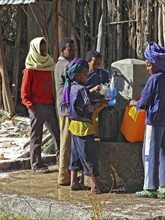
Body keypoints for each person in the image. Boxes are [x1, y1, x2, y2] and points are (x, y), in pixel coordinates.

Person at [129, 42, 165, 198]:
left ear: (156, 64)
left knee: (149, 153)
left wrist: (134, 103)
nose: (148, 68)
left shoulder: (154, 80)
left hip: (154, 121)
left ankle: (149, 187)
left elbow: (144, 102)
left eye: (149, 65)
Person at [62, 58, 108, 193]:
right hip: (84, 128)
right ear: (77, 75)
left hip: (74, 125)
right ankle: (95, 185)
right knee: (89, 156)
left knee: (75, 155)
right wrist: (101, 102)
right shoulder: (82, 89)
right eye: (85, 74)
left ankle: (74, 181)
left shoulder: (71, 87)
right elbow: (88, 108)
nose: (87, 76)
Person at [21, 37, 60, 173]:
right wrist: (31, 107)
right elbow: (24, 92)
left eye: (45, 50)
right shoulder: (30, 69)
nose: (44, 52)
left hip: (50, 105)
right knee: (36, 137)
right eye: (41, 50)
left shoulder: (50, 65)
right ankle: (36, 164)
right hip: (36, 106)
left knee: (58, 134)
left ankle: (61, 161)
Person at [54, 38, 76, 185]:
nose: (73, 52)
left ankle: (66, 174)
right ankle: (64, 176)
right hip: (66, 108)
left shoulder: (60, 64)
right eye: (70, 50)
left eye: (74, 50)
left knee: (67, 141)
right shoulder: (66, 65)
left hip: (64, 107)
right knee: (66, 142)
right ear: (63, 50)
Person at [85, 50, 111, 137]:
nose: (96, 66)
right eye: (94, 64)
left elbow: (109, 86)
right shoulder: (83, 74)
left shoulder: (103, 73)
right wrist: (92, 90)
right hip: (87, 105)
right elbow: (78, 93)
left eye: (98, 64)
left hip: (100, 102)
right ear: (88, 62)